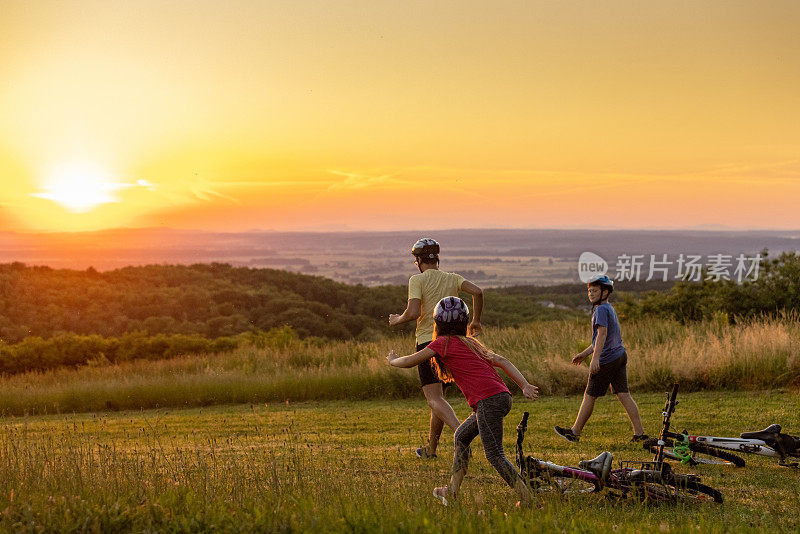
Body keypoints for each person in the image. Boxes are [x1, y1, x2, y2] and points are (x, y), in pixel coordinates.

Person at [387, 296, 538, 506]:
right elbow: (502, 361)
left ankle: (528, 499)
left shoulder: (442, 343)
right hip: (501, 397)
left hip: (489, 401)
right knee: (462, 436)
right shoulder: (471, 342)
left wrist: (393, 361)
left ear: (437, 324)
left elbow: (411, 361)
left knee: (495, 455)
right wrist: (524, 385)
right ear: (464, 322)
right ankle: (452, 490)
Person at [388, 238, 484, 459]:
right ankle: (431, 450)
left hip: (428, 341)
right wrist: (475, 321)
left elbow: (412, 313)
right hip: (455, 343)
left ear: (419, 260)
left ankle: (463, 436)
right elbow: (478, 292)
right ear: (437, 259)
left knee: (434, 399)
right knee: (439, 400)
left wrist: (396, 320)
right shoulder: (453, 278)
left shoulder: (417, 279)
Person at [554, 275, 646, 443]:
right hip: (619, 355)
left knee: (590, 395)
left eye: (595, 290)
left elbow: (602, 335)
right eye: (589, 290)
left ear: (605, 292)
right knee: (624, 395)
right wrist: (584, 353)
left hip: (607, 360)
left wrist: (595, 359)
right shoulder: (608, 308)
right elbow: (599, 339)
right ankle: (639, 434)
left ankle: (574, 433)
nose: (591, 293)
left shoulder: (601, 310)